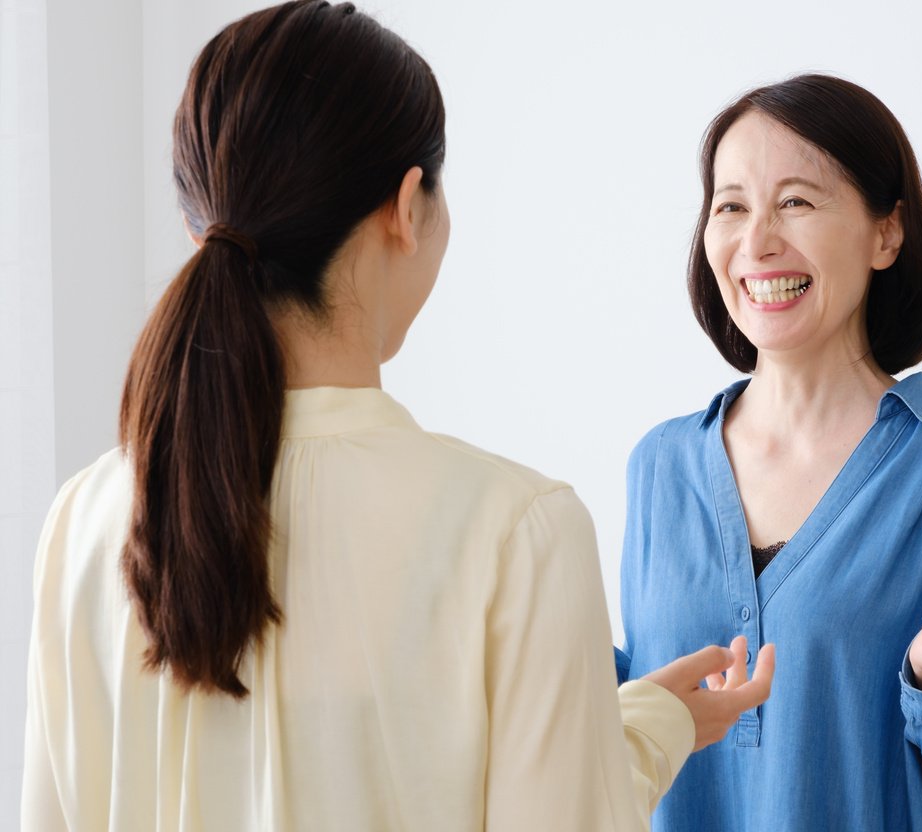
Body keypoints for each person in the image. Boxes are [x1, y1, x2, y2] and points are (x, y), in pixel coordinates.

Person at [20, 3, 774, 830]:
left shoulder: (84, 520)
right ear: (407, 205)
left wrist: (638, 728)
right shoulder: (517, 529)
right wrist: (630, 739)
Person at [615, 74, 922, 831]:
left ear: (887, 232)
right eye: (731, 206)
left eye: (796, 202)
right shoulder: (659, 465)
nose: (757, 242)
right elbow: (632, 731)